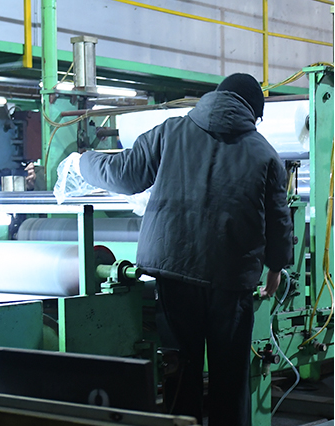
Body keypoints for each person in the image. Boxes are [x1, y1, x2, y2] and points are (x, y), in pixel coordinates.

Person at [78, 73, 293, 426]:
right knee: (230, 378)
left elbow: (124, 174)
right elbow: (278, 218)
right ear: (253, 112)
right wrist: (276, 265)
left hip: (174, 272)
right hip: (231, 281)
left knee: (180, 370)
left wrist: (83, 161)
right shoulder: (264, 153)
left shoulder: (171, 132)